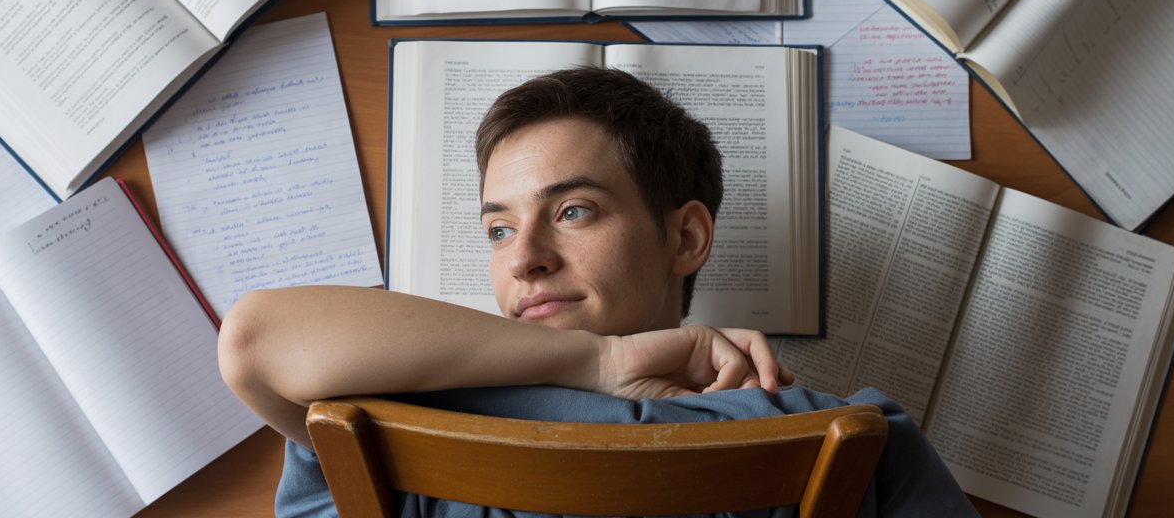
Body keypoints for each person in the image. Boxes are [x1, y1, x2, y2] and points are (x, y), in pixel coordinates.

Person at [218, 67, 975, 517]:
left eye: (572, 211)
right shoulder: (839, 425)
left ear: (685, 238)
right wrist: (600, 361)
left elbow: (258, 340)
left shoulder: (384, 412)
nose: (525, 261)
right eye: (498, 231)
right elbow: (255, 337)